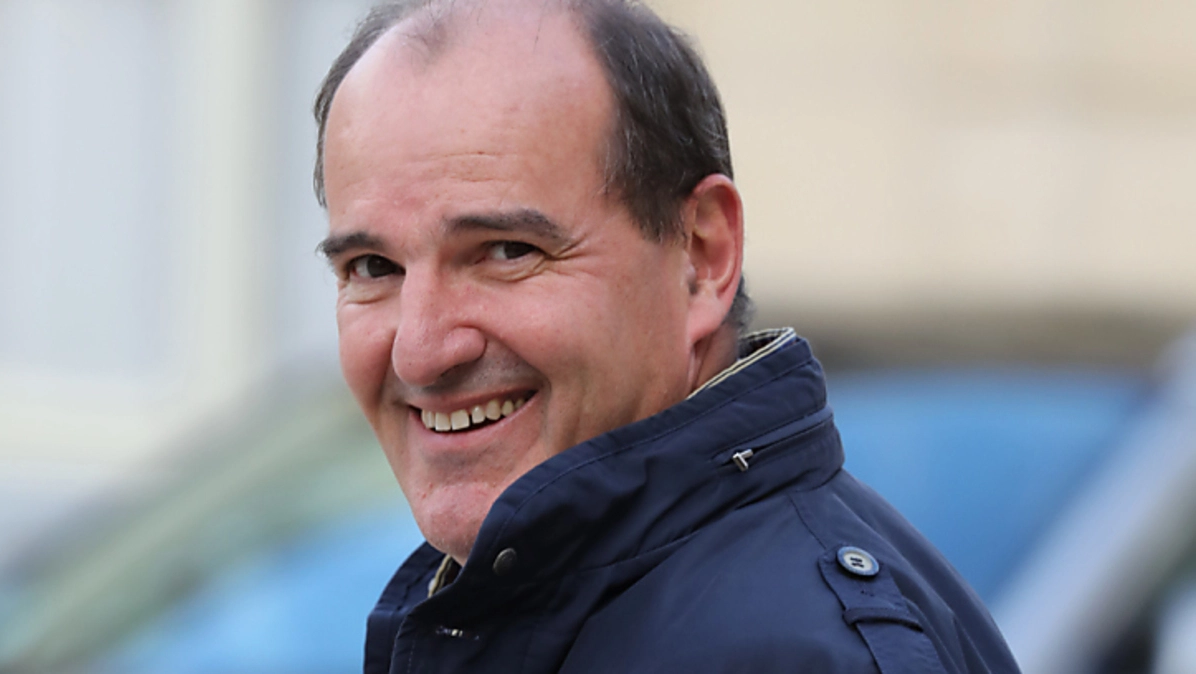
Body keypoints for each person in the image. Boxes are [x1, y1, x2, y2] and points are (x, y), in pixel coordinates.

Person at [313, 0, 1021, 671]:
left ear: (702, 255)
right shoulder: (552, 610)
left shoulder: (794, 654)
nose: (421, 352)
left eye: (506, 252)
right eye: (372, 267)